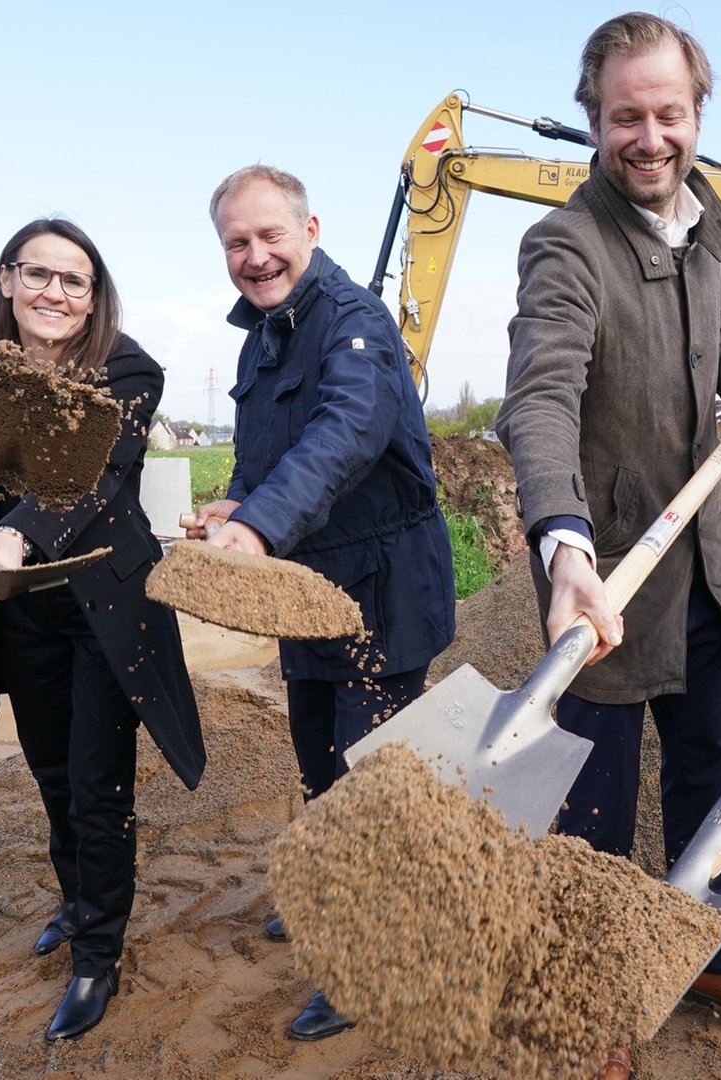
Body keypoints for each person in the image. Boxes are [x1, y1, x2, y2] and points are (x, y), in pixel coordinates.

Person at [494, 13, 721, 1069]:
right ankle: (590, 1004)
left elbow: (708, 328)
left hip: (702, 572)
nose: (649, 137)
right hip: (607, 596)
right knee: (592, 824)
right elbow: (540, 400)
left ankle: (718, 956)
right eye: (626, 116)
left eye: (667, 114)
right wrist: (565, 546)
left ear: (696, 115)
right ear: (594, 120)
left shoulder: (707, 225)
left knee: (710, 786)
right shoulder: (566, 248)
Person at [0, 218, 205, 1044]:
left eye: (75, 281)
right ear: (7, 280)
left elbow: (94, 471)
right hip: (20, 601)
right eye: (38, 274)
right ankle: (78, 904)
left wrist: (20, 534)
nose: (55, 293)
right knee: (50, 771)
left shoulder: (127, 368)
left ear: (94, 296)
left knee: (97, 782)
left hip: (102, 602)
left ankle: (97, 958)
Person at [191, 163, 455, 1042]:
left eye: (271, 236)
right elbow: (265, 448)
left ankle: (365, 955)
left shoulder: (353, 323)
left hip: (381, 588)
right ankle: (328, 897)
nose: (256, 257)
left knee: (367, 772)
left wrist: (259, 528)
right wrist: (237, 501)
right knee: (317, 758)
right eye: (238, 242)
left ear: (311, 229)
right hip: (307, 589)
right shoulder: (261, 337)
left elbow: (345, 434)